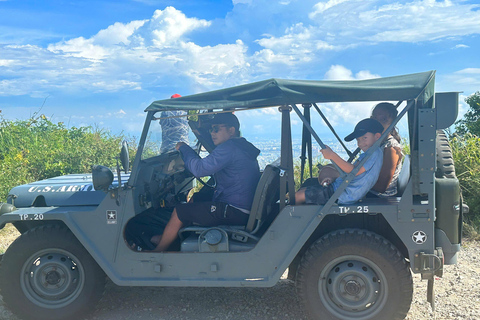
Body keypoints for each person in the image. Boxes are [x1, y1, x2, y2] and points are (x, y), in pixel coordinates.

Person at [151, 112, 261, 252]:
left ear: (231, 130)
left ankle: (158, 251)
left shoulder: (228, 148)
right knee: (197, 198)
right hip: (242, 207)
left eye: (216, 129)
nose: (212, 133)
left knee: (180, 211)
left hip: (234, 210)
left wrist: (184, 148)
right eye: (210, 129)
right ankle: (173, 238)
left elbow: (199, 169)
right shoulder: (241, 146)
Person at [296, 118, 384, 205]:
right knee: (305, 188)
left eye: (364, 138)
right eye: (358, 140)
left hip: (342, 194)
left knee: (299, 196)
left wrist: (332, 155)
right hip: (343, 190)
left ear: (377, 136)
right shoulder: (372, 153)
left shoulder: (373, 153)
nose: (360, 144)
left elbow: (354, 171)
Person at [369, 102, 404, 197]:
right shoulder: (376, 143)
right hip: (370, 193)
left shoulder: (391, 148)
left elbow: (381, 186)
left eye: (383, 120)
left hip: (380, 198)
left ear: (392, 123)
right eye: (374, 118)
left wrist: (352, 181)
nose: (377, 123)